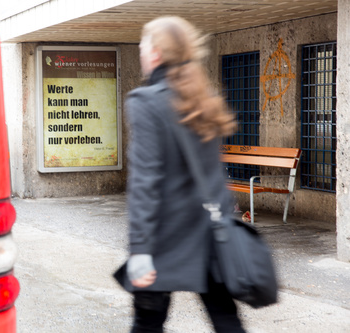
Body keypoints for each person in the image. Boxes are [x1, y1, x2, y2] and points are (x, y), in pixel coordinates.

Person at [114, 17, 245, 332]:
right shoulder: (202, 101)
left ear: (156, 53)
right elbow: (213, 173)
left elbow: (146, 182)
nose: (141, 51)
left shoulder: (146, 102)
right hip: (210, 233)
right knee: (226, 319)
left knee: (147, 321)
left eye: (144, 45)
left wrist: (141, 249)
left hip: (166, 236)